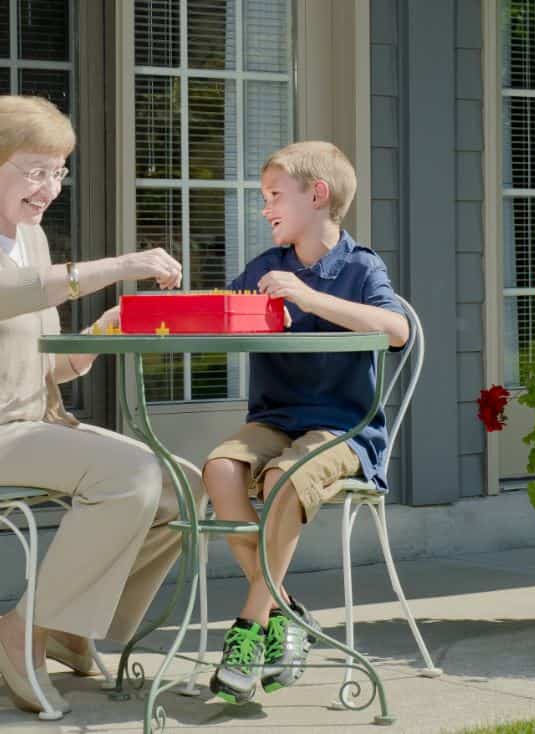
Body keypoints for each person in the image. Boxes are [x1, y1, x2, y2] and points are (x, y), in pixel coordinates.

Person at [0, 95, 203, 715]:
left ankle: (65, 627)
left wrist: (101, 334)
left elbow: (42, 365)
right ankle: (22, 630)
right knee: (130, 474)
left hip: (26, 426)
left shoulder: (29, 239)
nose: (49, 187)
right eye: (34, 170)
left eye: (59, 171)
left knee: (185, 489)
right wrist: (121, 266)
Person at [202, 141, 409, 703]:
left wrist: (310, 297)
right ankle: (283, 609)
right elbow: (225, 310)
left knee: (283, 479)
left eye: (274, 195)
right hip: (274, 420)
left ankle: (248, 625)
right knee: (221, 469)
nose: (264, 208)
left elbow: (397, 330)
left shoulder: (361, 266)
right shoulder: (267, 267)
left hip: (343, 430)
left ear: (317, 196)